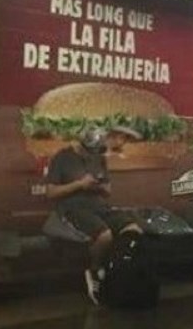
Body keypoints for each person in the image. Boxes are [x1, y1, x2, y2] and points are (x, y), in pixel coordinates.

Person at [45, 127, 143, 305]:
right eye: (88, 151)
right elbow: (51, 193)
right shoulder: (62, 158)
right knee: (105, 235)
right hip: (73, 207)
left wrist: (98, 186)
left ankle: (117, 268)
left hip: (99, 205)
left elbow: (107, 190)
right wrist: (80, 184)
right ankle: (94, 270)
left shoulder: (99, 157)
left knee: (133, 229)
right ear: (80, 145)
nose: (92, 155)